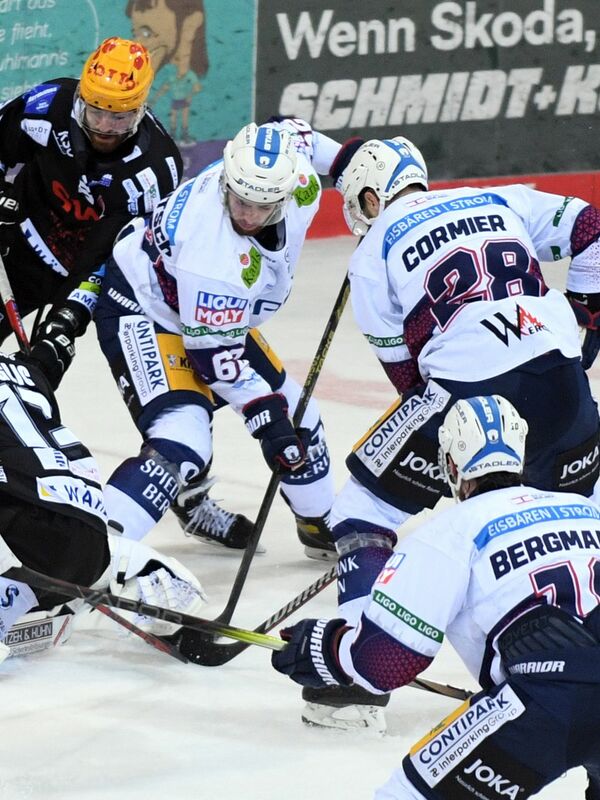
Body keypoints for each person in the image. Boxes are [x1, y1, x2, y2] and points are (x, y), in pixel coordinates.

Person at [291, 134, 600, 726]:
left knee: (361, 509)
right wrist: (584, 321)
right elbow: (590, 225)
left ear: (371, 196)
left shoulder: (373, 249)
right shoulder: (495, 198)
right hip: (564, 385)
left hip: (467, 391)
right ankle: (577, 663)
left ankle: (355, 679)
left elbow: (409, 377)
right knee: (578, 514)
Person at [273, 394, 600, 799]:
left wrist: (323, 648)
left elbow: (386, 662)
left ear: (450, 464)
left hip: (545, 706)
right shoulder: (586, 510)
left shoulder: (449, 534)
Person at [93, 116, 342, 557]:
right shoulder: (210, 255)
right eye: (239, 198)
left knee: (301, 417)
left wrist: (358, 171)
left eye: (261, 206)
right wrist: (267, 422)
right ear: (226, 177)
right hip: (144, 308)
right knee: (183, 438)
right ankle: (90, 554)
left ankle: (320, 525)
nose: (246, 214)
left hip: (218, 318)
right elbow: (216, 361)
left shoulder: (293, 174)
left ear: (287, 193)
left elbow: (295, 133)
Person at [0, 347, 206, 664]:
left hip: (21, 540)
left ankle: (25, 599)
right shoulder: (27, 372)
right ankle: (104, 577)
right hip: (90, 542)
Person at [0, 36, 183, 391]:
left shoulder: (155, 171)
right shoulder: (49, 105)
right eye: (94, 111)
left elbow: (107, 259)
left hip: (81, 272)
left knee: (41, 369)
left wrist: (64, 326)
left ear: (140, 109)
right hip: (13, 242)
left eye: (117, 119)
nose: (102, 127)